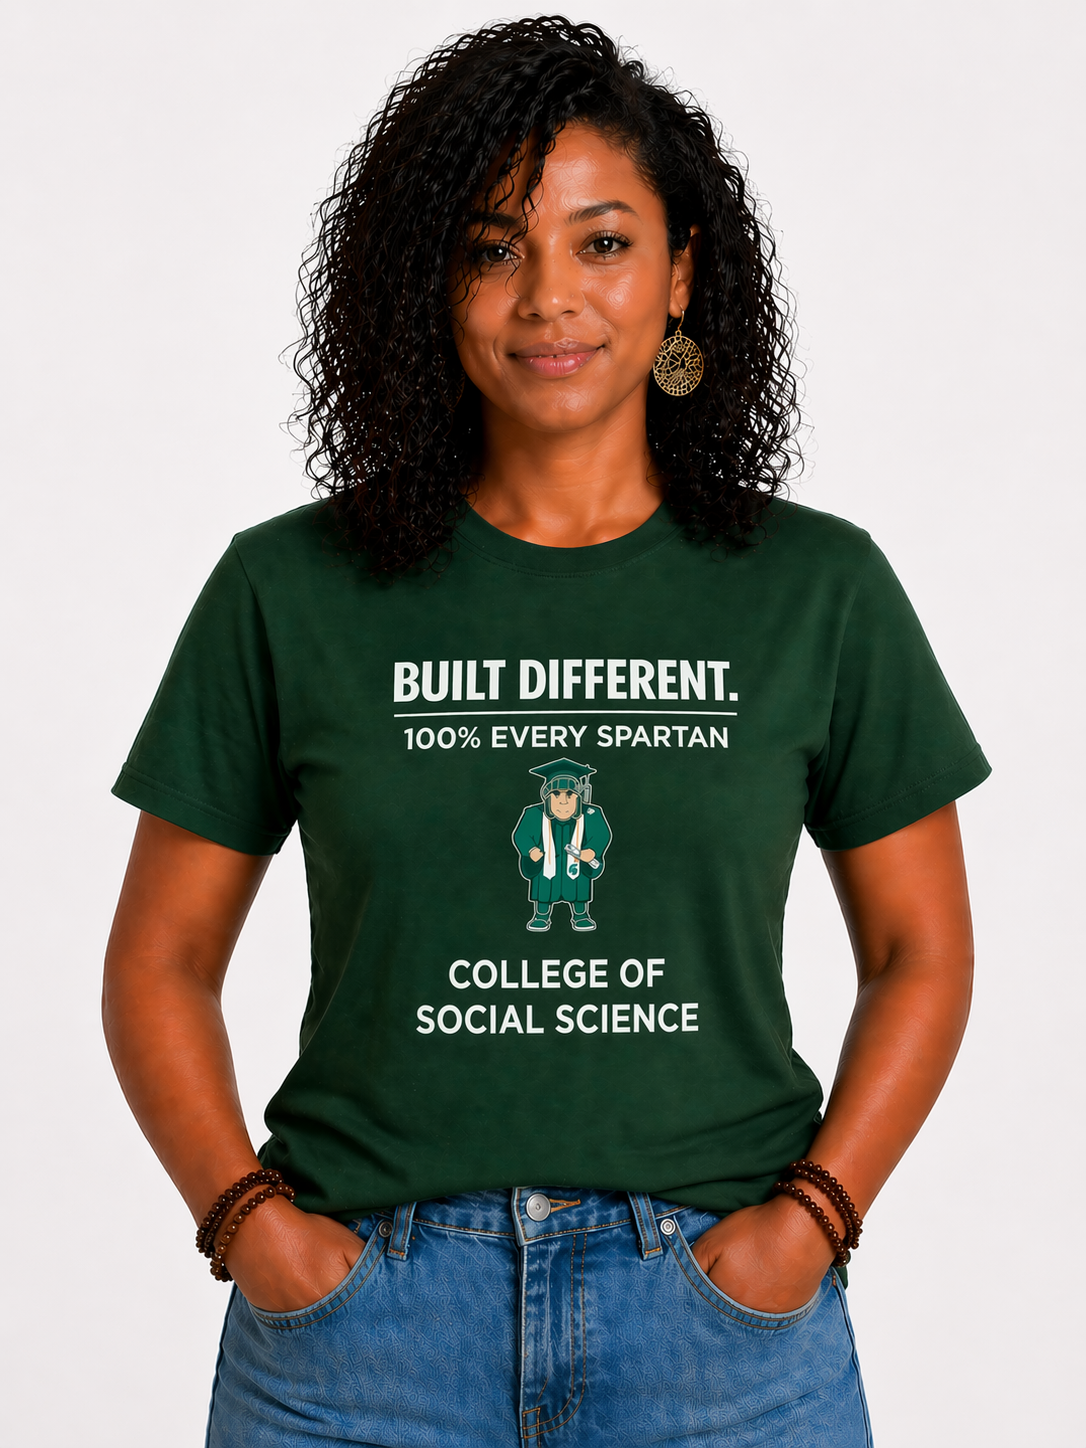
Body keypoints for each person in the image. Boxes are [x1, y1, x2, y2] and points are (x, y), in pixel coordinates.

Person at [103, 18, 989, 1448]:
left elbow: (920, 953)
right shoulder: (290, 587)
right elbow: (158, 961)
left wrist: (809, 1225)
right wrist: (250, 1226)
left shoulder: (816, 589)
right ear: (429, 286)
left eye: (600, 243)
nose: (547, 300)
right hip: (360, 1335)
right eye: (491, 247)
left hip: (716, 1332)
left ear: (681, 271)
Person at [513, 758, 612, 931]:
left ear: (579, 797)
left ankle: (580, 915)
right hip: (546, 863)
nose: (563, 801)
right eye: (556, 794)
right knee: (544, 886)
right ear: (546, 797)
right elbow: (521, 834)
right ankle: (541, 915)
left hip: (577, 861)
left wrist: (592, 850)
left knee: (578, 886)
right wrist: (531, 849)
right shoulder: (533, 813)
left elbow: (602, 834)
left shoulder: (591, 814)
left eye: (570, 795)